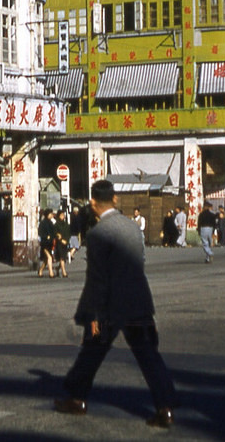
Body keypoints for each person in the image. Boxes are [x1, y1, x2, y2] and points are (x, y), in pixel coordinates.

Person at [53, 180, 180, 427]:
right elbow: (139, 262)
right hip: (138, 300)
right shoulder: (132, 227)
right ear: (114, 199)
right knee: (148, 356)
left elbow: (98, 279)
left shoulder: (98, 234)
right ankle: (165, 407)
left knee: (91, 353)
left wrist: (93, 315)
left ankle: (77, 398)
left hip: (109, 306)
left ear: (92, 203)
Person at [37, 209, 57, 278]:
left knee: (46, 260)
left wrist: (54, 236)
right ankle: (51, 273)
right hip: (44, 243)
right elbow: (40, 233)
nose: (52, 215)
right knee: (49, 257)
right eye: (50, 214)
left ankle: (40, 270)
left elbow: (53, 232)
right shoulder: (43, 223)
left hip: (50, 243)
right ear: (47, 215)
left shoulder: (51, 222)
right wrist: (46, 236)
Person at [54, 209, 71, 278]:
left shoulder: (66, 224)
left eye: (63, 215)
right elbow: (55, 233)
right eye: (61, 215)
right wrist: (60, 239)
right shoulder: (56, 224)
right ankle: (64, 272)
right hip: (59, 244)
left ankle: (58, 268)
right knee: (62, 257)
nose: (63, 216)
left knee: (64, 258)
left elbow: (68, 233)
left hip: (65, 242)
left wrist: (66, 240)